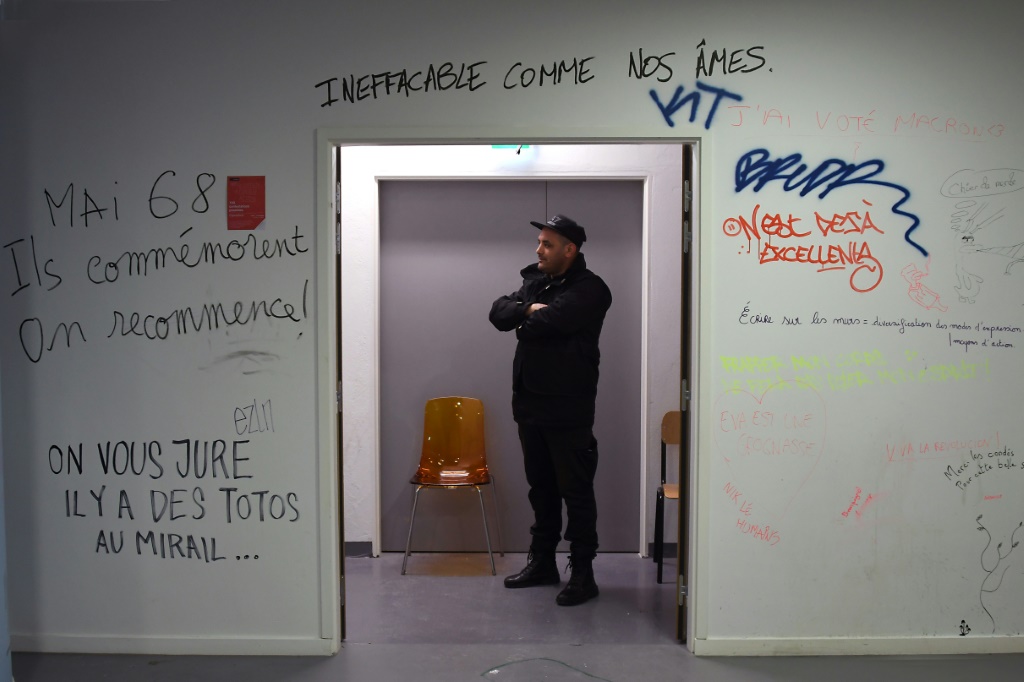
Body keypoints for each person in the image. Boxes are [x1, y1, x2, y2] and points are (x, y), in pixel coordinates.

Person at [488, 213, 612, 606]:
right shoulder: (535, 282)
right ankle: (542, 563)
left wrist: (526, 318)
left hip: (568, 409)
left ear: (569, 250)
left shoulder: (591, 289)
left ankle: (583, 574)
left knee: (576, 492)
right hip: (529, 406)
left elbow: (552, 322)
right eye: (539, 242)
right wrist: (527, 310)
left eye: (547, 244)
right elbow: (498, 312)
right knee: (541, 490)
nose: (538, 250)